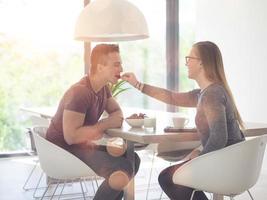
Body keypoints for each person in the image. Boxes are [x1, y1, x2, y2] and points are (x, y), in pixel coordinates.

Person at [122, 41, 245, 200]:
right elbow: (171, 97)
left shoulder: (212, 94)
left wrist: (198, 155)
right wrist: (137, 84)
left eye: (189, 58)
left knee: (169, 178)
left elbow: (219, 137)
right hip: (228, 160)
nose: (186, 63)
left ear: (201, 63)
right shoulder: (204, 93)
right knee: (172, 177)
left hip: (226, 164)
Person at [46, 44, 140, 200]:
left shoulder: (103, 88)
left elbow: (118, 114)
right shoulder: (80, 92)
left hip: (79, 146)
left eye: (121, 64)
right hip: (63, 151)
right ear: (100, 67)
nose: (121, 69)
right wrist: (104, 124)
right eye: (116, 64)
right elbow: (72, 137)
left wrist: (104, 125)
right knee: (122, 166)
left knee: (132, 159)